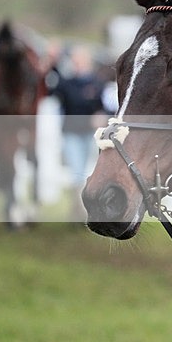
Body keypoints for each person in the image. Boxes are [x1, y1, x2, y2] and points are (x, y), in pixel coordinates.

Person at [49, 45, 108, 219]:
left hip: (89, 135)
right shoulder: (67, 83)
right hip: (71, 133)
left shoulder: (97, 83)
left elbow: (104, 107)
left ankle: (77, 212)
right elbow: (53, 89)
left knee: (84, 171)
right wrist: (53, 63)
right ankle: (80, 212)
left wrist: (101, 115)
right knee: (76, 172)